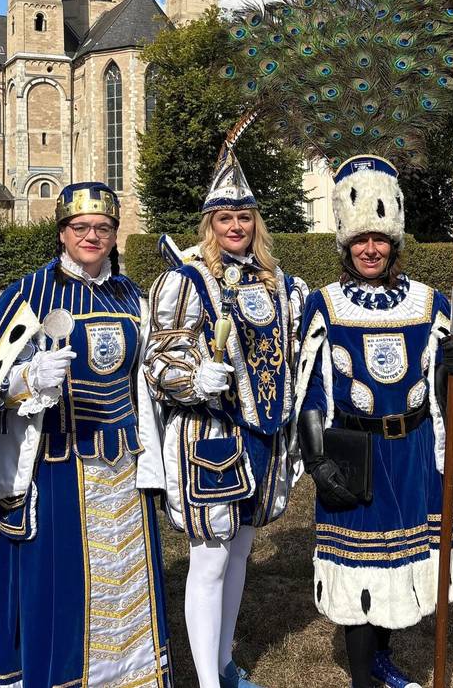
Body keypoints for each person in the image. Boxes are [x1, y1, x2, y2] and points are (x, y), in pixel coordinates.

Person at [0, 182, 172, 688]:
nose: (92, 236)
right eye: (80, 228)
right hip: (58, 465)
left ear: (114, 234)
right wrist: (28, 380)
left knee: (127, 586)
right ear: (63, 233)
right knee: (62, 585)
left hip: (125, 468)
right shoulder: (30, 292)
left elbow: (148, 373)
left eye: (103, 228)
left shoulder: (131, 294)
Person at [295, 156, 453, 688]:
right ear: (345, 243)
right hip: (356, 455)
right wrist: (316, 457)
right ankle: (363, 678)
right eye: (360, 240)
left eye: (380, 240)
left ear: (394, 242)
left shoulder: (429, 303)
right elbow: (311, 386)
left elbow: (444, 388)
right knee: (360, 570)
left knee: (401, 565)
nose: (370, 249)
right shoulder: (326, 305)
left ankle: (383, 661)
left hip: (412, 453)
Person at [137, 142, 308, 688]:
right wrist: (194, 379)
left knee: (240, 555)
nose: (236, 226)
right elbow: (159, 357)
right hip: (209, 438)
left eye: (244, 217)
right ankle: (208, 682)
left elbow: (302, 350)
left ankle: (227, 665)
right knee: (209, 560)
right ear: (211, 223)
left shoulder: (280, 283)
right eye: (225, 217)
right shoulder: (184, 279)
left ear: (256, 223)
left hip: (264, 439)